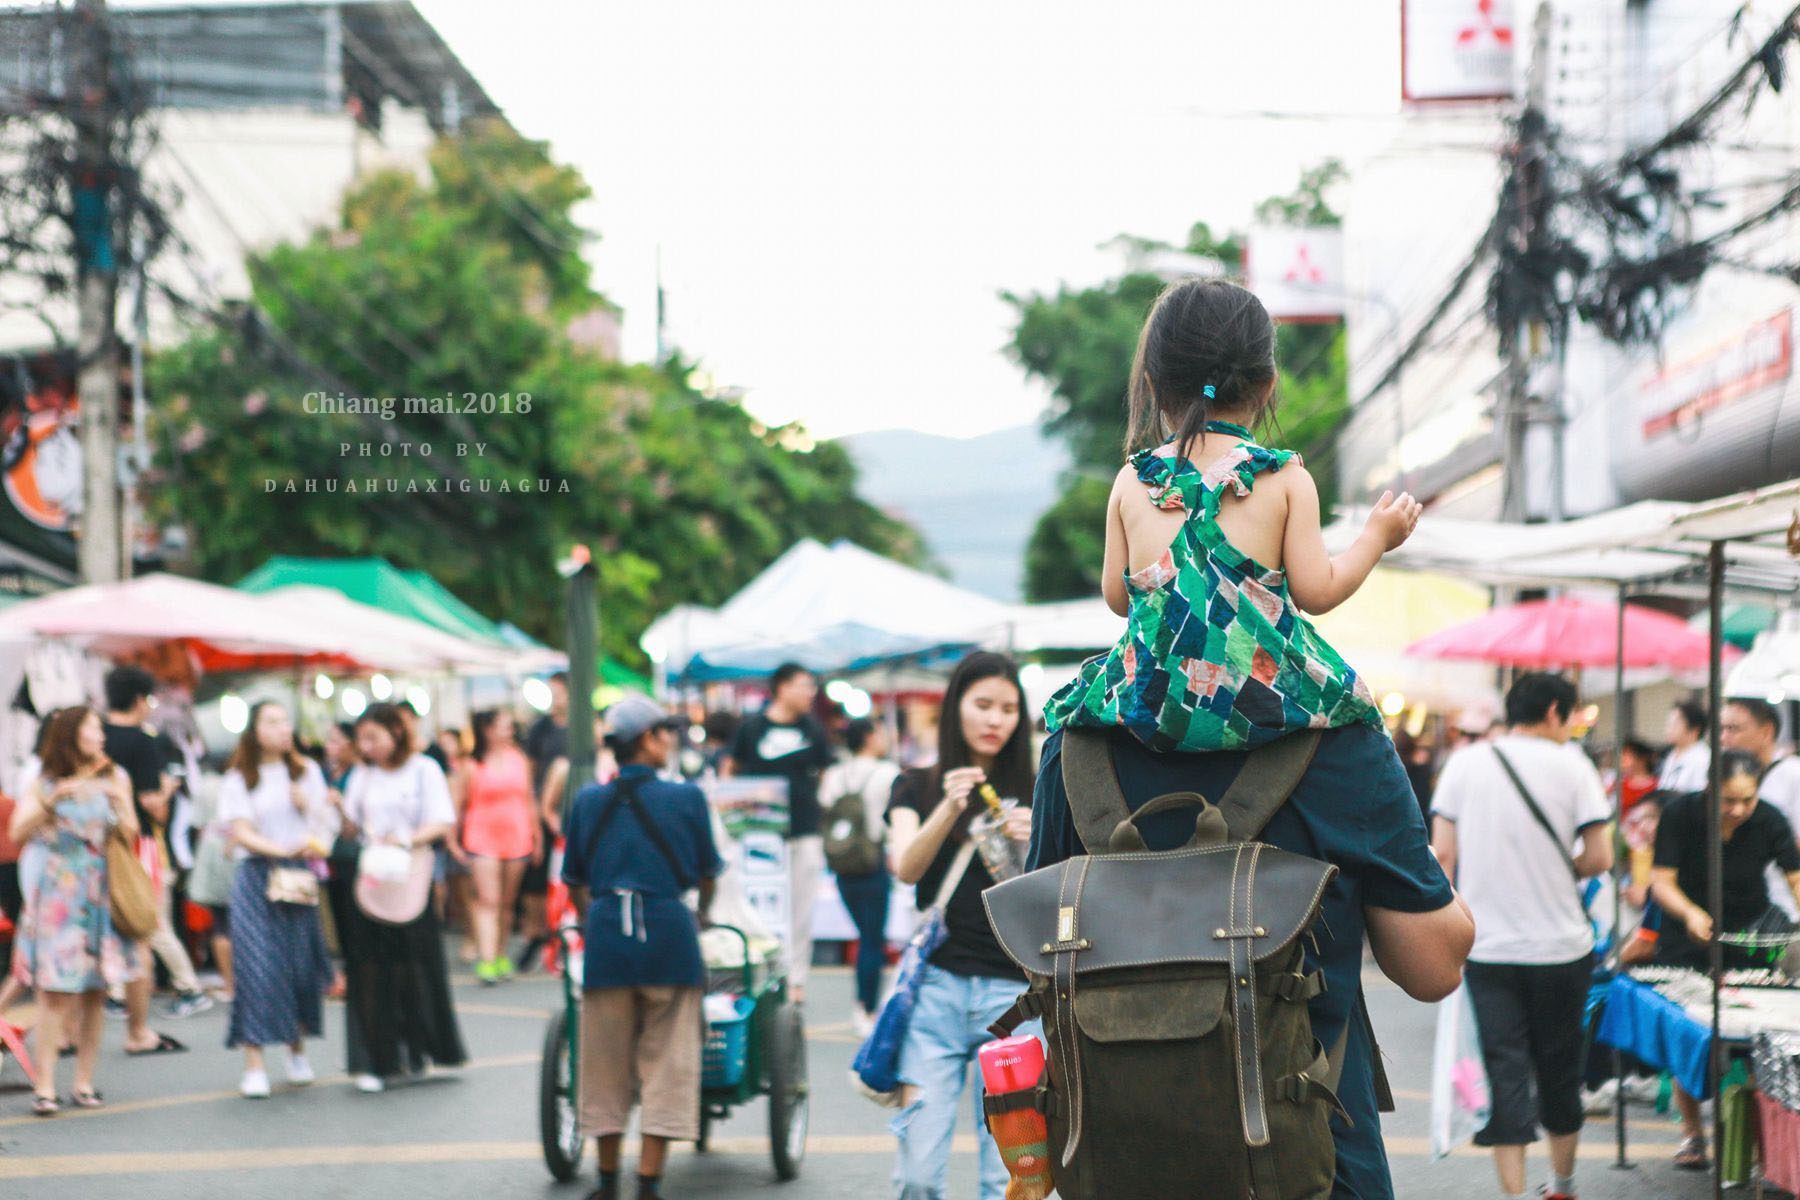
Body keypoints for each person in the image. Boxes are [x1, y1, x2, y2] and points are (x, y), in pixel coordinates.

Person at [1033, 698, 1471, 1199]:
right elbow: (1434, 971)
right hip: (1312, 1163)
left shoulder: (1075, 743)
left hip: (1120, 1163)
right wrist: (1427, 871)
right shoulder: (1346, 743)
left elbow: (1039, 949)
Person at [1042, 278, 1421, 755]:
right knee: (1368, 739)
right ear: (1267, 386)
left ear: (1153, 386)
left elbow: (1118, 598)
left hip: (1152, 709)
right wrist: (1376, 537)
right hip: (1265, 701)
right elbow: (1318, 593)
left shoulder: (1132, 479)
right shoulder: (1284, 478)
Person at [1430, 672, 1614, 1200]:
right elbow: (1600, 857)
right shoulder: (1575, 766)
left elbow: (1441, 858)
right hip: (1562, 948)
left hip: (1488, 947)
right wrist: (1563, 869)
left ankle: (1513, 1195)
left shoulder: (1464, 764)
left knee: (1504, 1070)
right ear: (1555, 711)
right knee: (1559, 1069)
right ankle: (1561, 1186)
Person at [887, 651, 1036, 1200]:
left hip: (1015, 1000)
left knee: (1009, 1177)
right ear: (956, 708)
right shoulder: (915, 785)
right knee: (919, 1174)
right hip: (936, 993)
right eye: (983, 705)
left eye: (1008, 709)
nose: (996, 720)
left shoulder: (1040, 785)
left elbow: (1064, 890)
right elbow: (906, 867)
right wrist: (948, 810)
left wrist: (1036, 838)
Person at [563, 696, 723, 1200]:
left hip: (608, 938)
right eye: (666, 732)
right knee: (669, 1063)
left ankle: (607, 1182)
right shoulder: (687, 798)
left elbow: (575, 880)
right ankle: (648, 1184)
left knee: (603, 1064)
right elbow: (707, 874)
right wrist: (698, 913)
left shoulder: (588, 801)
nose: (672, 740)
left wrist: (597, 917)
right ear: (649, 739)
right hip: (670, 938)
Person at [1650, 749, 1800, 1169]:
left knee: (1755, 1036)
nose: (1738, 810)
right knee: (1691, 1033)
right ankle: (1692, 1133)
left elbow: (1795, 877)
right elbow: (1661, 882)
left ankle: (1757, 1140)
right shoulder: (1680, 813)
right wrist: (1690, 912)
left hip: (1749, 934)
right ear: (1710, 790)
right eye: (1728, 800)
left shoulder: (1769, 819)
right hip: (1687, 932)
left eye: (1747, 800)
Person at [8, 706, 142, 1115]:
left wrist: (122, 803)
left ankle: (84, 1081)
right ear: (71, 735)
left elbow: (133, 833)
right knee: (54, 994)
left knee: (94, 993)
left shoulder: (116, 777)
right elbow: (17, 832)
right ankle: (45, 1085)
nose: (101, 735)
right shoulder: (46, 781)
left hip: (100, 889)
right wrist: (55, 799)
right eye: (93, 728)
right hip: (58, 895)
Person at [336, 702, 467, 1093]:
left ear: (396, 732)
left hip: (411, 875)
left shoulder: (424, 769)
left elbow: (442, 821)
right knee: (371, 968)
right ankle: (377, 1057)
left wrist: (406, 839)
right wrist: (336, 811)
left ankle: (417, 1049)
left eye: (373, 737)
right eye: (361, 739)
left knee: (414, 964)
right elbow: (351, 828)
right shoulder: (363, 774)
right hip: (373, 877)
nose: (367, 746)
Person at [218, 701, 336, 1099]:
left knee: (298, 965)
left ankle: (296, 1049)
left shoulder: (307, 772)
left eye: (285, 719)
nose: (282, 727)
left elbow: (326, 828)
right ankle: (253, 1061)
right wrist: (278, 849)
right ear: (254, 730)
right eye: (272, 721)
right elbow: (239, 830)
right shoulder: (239, 778)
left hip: (298, 875)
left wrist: (309, 810)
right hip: (257, 876)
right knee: (255, 967)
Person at [102, 666, 208, 1054]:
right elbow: (151, 807)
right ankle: (181, 991)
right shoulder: (144, 743)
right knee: (150, 924)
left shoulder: (95, 736)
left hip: (100, 846)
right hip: (139, 845)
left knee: (113, 926)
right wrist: (166, 790)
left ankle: (115, 994)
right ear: (139, 699)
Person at [722, 662, 835, 999]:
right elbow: (730, 767)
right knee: (760, 905)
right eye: (804, 685)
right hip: (759, 835)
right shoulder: (751, 727)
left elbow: (826, 770)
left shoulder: (813, 729)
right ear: (782, 687)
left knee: (802, 907)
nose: (810, 693)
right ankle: (762, 972)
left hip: (804, 830)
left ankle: (796, 979)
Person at [819, 717, 899, 1036]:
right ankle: (865, 1007)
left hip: (841, 863)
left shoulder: (834, 775)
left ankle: (863, 1007)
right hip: (872, 860)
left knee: (863, 933)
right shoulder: (886, 773)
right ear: (868, 737)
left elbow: (825, 809)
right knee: (871, 937)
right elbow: (894, 818)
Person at [453, 709, 540, 984]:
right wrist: (452, 840)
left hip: (517, 835)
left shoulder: (520, 760)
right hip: (482, 837)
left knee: (507, 902)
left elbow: (529, 799)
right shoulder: (471, 764)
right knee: (488, 900)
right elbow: (458, 806)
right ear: (487, 730)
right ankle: (487, 958)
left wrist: (536, 835)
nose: (509, 731)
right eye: (503, 726)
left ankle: (500, 953)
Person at [1722, 696, 1800, 920]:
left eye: (1733, 729)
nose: (1724, 738)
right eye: (1722, 728)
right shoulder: (1722, 777)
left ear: (1766, 731)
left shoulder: (1793, 774)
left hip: (1783, 910)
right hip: (1737, 911)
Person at [521, 673, 570, 972]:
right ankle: (536, 934)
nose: (555, 697)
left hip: (571, 808)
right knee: (538, 880)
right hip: (547, 809)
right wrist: (538, 813)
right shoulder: (540, 728)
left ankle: (560, 935)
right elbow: (530, 772)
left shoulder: (583, 726)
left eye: (559, 691)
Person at [1659, 701, 1711, 793]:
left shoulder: (1702, 759)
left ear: (1694, 730)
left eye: (1675, 725)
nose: (1668, 729)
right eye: (1668, 724)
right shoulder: (1672, 754)